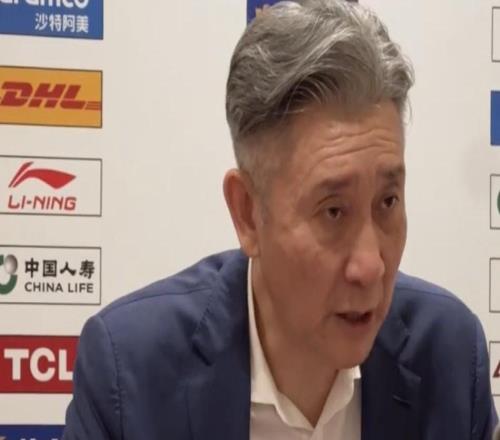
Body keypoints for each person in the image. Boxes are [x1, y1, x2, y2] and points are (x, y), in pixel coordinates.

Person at [62, 1, 498, 439]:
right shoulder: (129, 373)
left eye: (387, 202)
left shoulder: (450, 359)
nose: (371, 267)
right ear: (248, 213)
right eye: (333, 211)